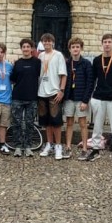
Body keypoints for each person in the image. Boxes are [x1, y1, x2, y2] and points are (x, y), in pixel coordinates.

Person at [86, 33, 112, 167]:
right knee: (97, 127)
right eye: (105, 42)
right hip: (99, 97)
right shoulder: (97, 60)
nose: (107, 44)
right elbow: (93, 79)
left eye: (109, 42)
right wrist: (91, 96)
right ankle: (95, 150)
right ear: (102, 44)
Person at [37, 32, 68, 160]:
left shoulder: (58, 55)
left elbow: (63, 75)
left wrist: (61, 90)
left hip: (54, 92)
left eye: (49, 41)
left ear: (52, 42)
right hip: (41, 92)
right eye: (45, 41)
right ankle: (49, 144)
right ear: (42, 43)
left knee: (56, 121)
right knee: (46, 121)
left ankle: (58, 145)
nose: (47, 43)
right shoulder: (40, 56)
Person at [63, 37, 94, 159]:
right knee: (69, 123)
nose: (75, 49)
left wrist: (86, 100)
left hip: (81, 98)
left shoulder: (86, 63)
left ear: (81, 48)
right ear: (69, 49)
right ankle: (68, 147)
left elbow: (90, 83)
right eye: (73, 47)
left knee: (82, 123)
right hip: (69, 97)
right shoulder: (66, 63)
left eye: (77, 47)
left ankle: (85, 148)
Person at [10, 38, 41, 157]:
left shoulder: (37, 62)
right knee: (16, 123)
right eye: (24, 47)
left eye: (28, 47)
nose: (26, 49)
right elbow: (12, 79)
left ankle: (28, 146)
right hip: (17, 97)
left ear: (32, 49)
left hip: (32, 97)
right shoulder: (17, 63)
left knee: (29, 123)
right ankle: (18, 146)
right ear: (21, 48)